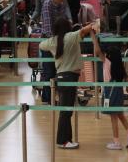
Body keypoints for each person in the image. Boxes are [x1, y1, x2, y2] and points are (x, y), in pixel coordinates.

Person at [39, 18, 94, 149]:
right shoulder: (71, 36)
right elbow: (87, 28)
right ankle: (62, 141)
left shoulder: (53, 41)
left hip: (62, 77)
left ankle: (67, 140)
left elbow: (41, 45)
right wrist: (93, 25)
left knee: (67, 111)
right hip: (69, 78)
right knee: (66, 111)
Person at [91, 30, 128, 150]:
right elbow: (127, 78)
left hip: (109, 90)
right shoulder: (118, 64)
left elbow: (97, 51)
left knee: (113, 117)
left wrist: (93, 37)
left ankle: (116, 142)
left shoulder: (107, 61)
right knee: (120, 114)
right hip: (118, 90)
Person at [40, 0, 72, 103]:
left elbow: (63, 25)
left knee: (58, 70)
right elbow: (48, 29)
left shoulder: (62, 4)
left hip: (59, 42)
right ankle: (47, 98)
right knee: (49, 71)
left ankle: (55, 96)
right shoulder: (47, 5)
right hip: (48, 42)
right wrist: (56, 42)